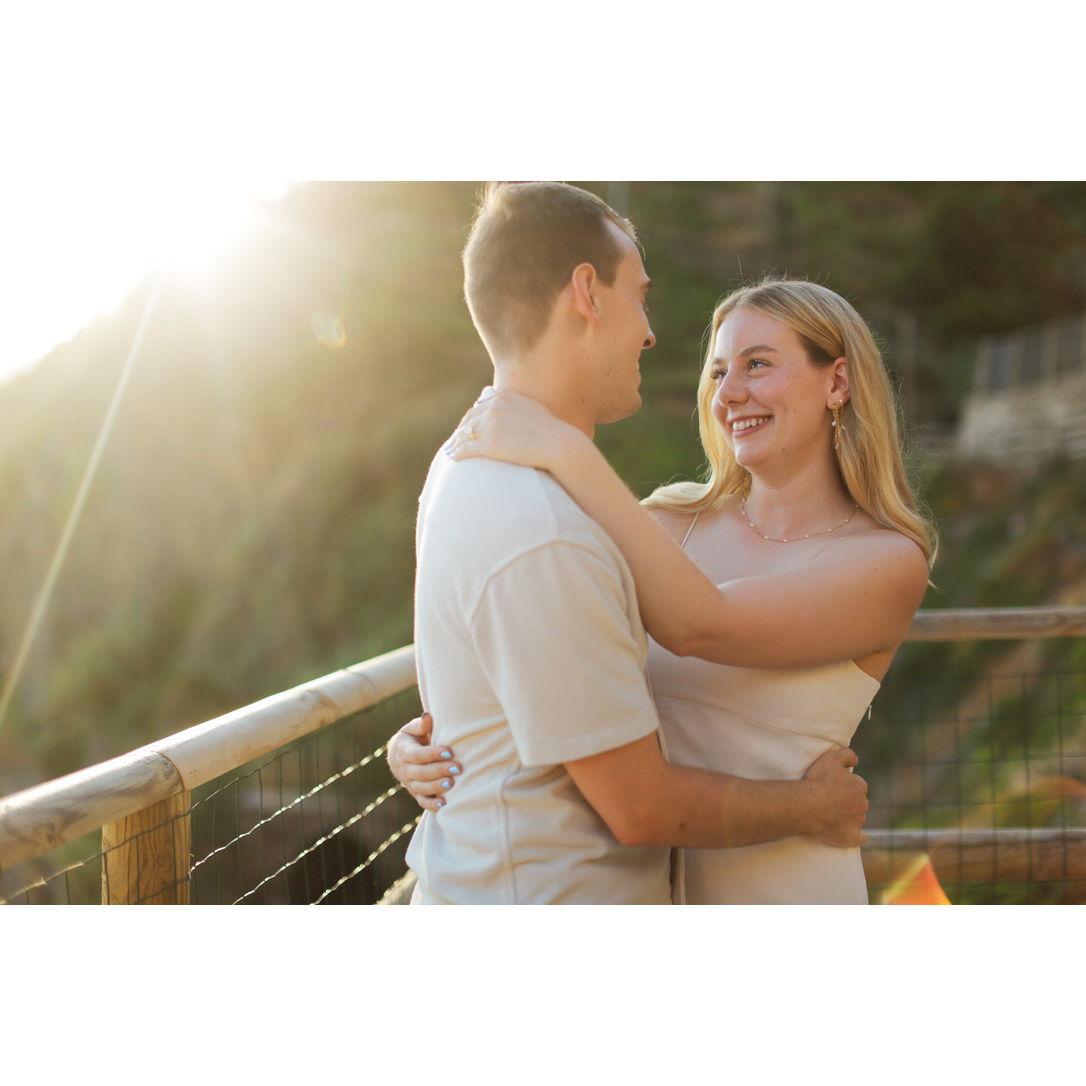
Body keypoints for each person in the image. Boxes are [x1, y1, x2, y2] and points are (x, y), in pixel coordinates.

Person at [395, 258, 937, 903]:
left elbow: (704, 625)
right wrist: (433, 741)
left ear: (837, 381)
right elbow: (543, 651)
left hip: (781, 888)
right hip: (634, 889)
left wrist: (568, 452)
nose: (729, 392)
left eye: (757, 364)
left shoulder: (887, 559)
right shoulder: (662, 521)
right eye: (718, 372)